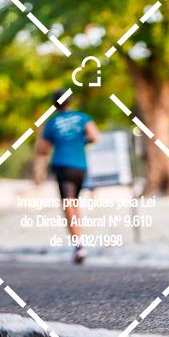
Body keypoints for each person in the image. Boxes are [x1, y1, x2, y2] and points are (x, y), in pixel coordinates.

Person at [36, 90, 100, 264]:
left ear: (54, 104)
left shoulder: (52, 123)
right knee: (75, 203)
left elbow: (42, 150)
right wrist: (80, 141)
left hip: (62, 165)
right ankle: (80, 241)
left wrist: (51, 139)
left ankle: (79, 246)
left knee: (69, 205)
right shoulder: (83, 117)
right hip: (80, 166)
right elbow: (95, 137)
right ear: (70, 101)